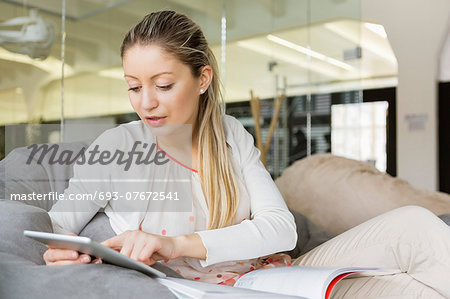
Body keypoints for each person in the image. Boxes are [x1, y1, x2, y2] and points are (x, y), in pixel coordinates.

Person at [44, 11, 450, 298]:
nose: (146, 102)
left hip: (281, 277)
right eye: (134, 86)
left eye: (163, 85)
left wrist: (178, 244)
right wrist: (58, 247)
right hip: (216, 292)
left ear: (202, 78)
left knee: (414, 230)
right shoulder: (118, 147)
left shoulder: (230, 135)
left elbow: (281, 229)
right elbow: (57, 223)